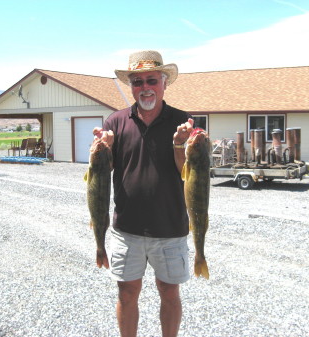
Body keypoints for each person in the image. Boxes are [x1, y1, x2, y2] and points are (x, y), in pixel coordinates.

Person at [93, 50, 194, 337]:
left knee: (170, 292)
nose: (145, 87)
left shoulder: (182, 121)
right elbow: (107, 169)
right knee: (126, 293)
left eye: (152, 80)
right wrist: (104, 148)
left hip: (170, 226)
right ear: (131, 87)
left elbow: (188, 172)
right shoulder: (116, 121)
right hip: (128, 227)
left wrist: (178, 145)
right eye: (138, 82)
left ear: (164, 83)